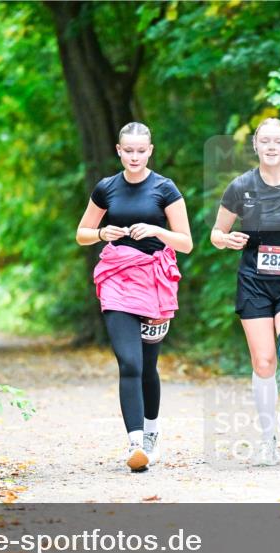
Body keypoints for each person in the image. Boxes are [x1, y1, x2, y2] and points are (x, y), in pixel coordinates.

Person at [76, 122, 193, 472]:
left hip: (155, 281)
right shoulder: (106, 188)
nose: (135, 157)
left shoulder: (165, 189)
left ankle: (153, 431)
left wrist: (157, 230)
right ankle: (136, 443)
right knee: (129, 362)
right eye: (128, 151)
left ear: (150, 151)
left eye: (141, 151)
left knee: (147, 366)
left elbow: (185, 242)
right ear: (118, 150)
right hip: (115, 279)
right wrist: (101, 232)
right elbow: (81, 234)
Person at [210, 118, 280, 466]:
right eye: (265, 141)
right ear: (255, 146)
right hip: (255, 284)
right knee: (264, 362)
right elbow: (216, 232)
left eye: (278, 141)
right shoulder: (240, 187)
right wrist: (226, 240)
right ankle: (266, 438)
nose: (271, 147)